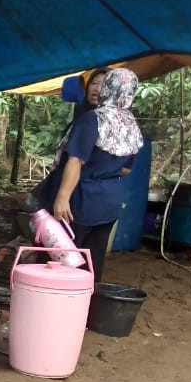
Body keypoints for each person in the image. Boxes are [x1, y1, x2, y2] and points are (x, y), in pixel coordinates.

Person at [32, 68, 143, 280]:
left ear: (108, 88)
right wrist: (105, 170)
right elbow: (127, 168)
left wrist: (62, 198)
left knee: (58, 258)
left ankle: (51, 308)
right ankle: (85, 309)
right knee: (92, 262)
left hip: (80, 200)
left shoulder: (94, 119)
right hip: (109, 202)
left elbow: (75, 161)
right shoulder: (131, 125)